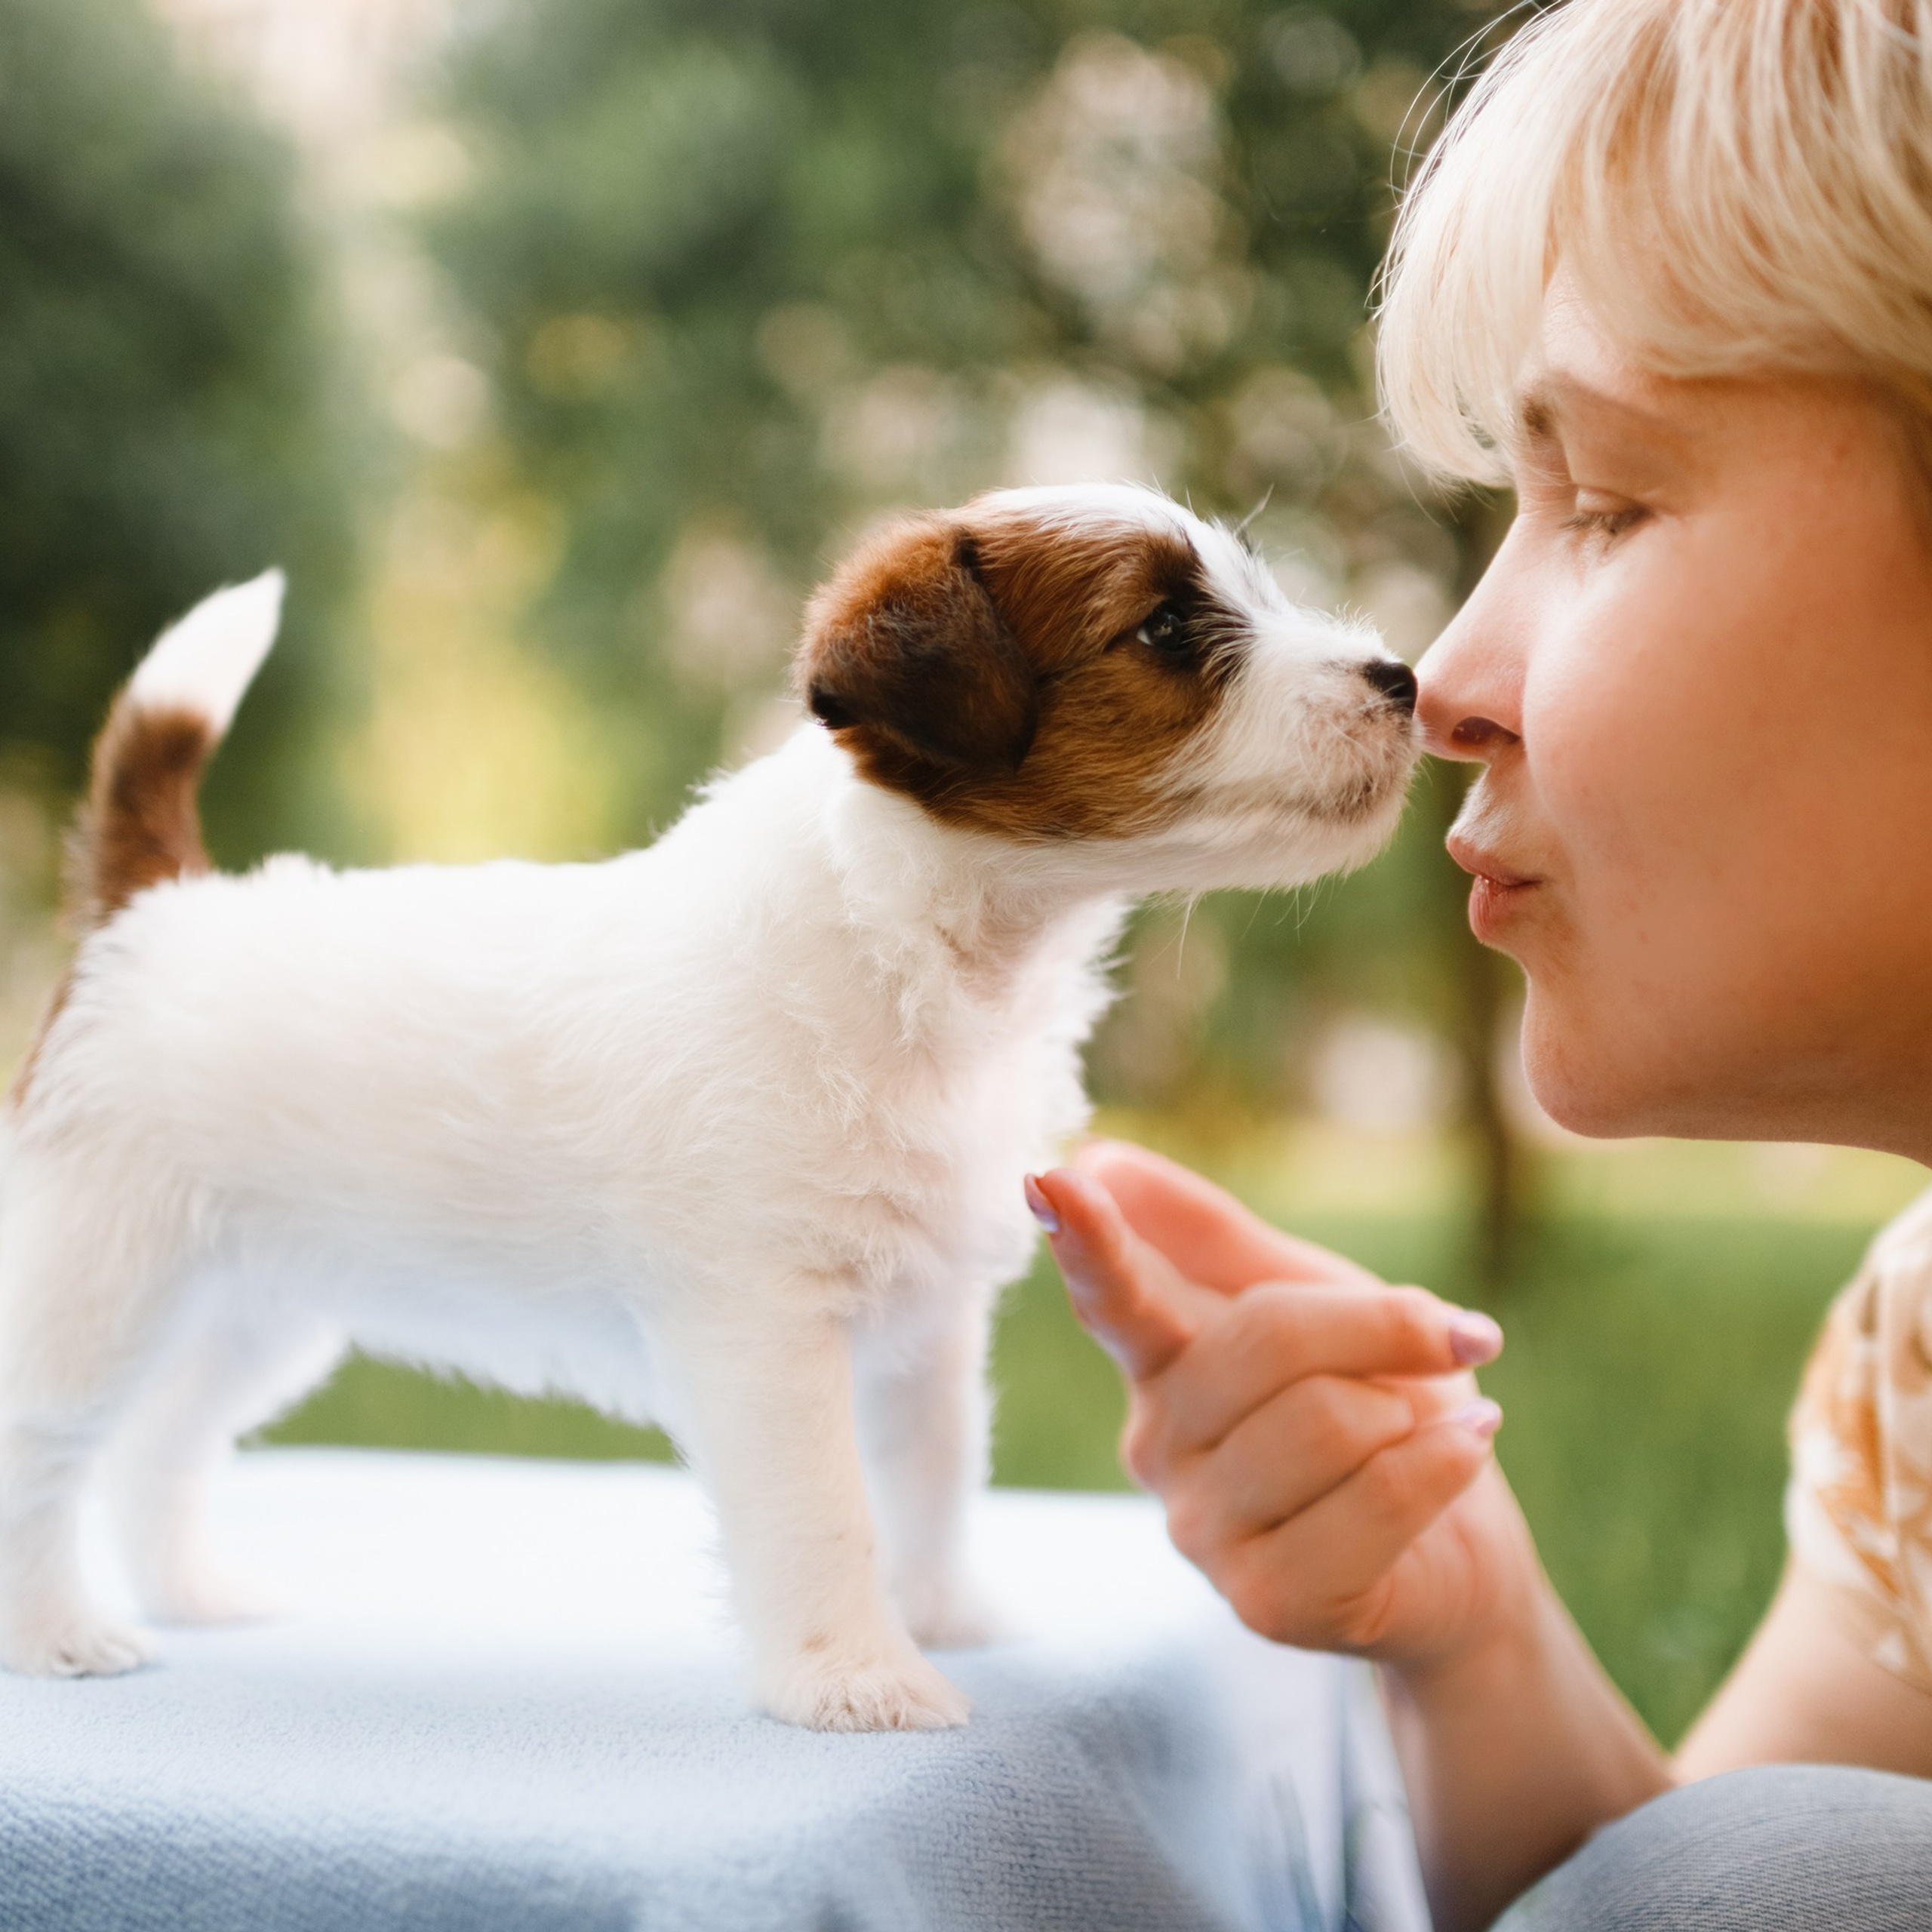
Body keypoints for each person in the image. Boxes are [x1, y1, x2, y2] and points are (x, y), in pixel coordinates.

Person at [1023, 2, 1932, 1926]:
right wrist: (1473, 1620)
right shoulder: (1915, 1351)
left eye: (1599, 501)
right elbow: (1717, 1890)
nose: (1438, 682)